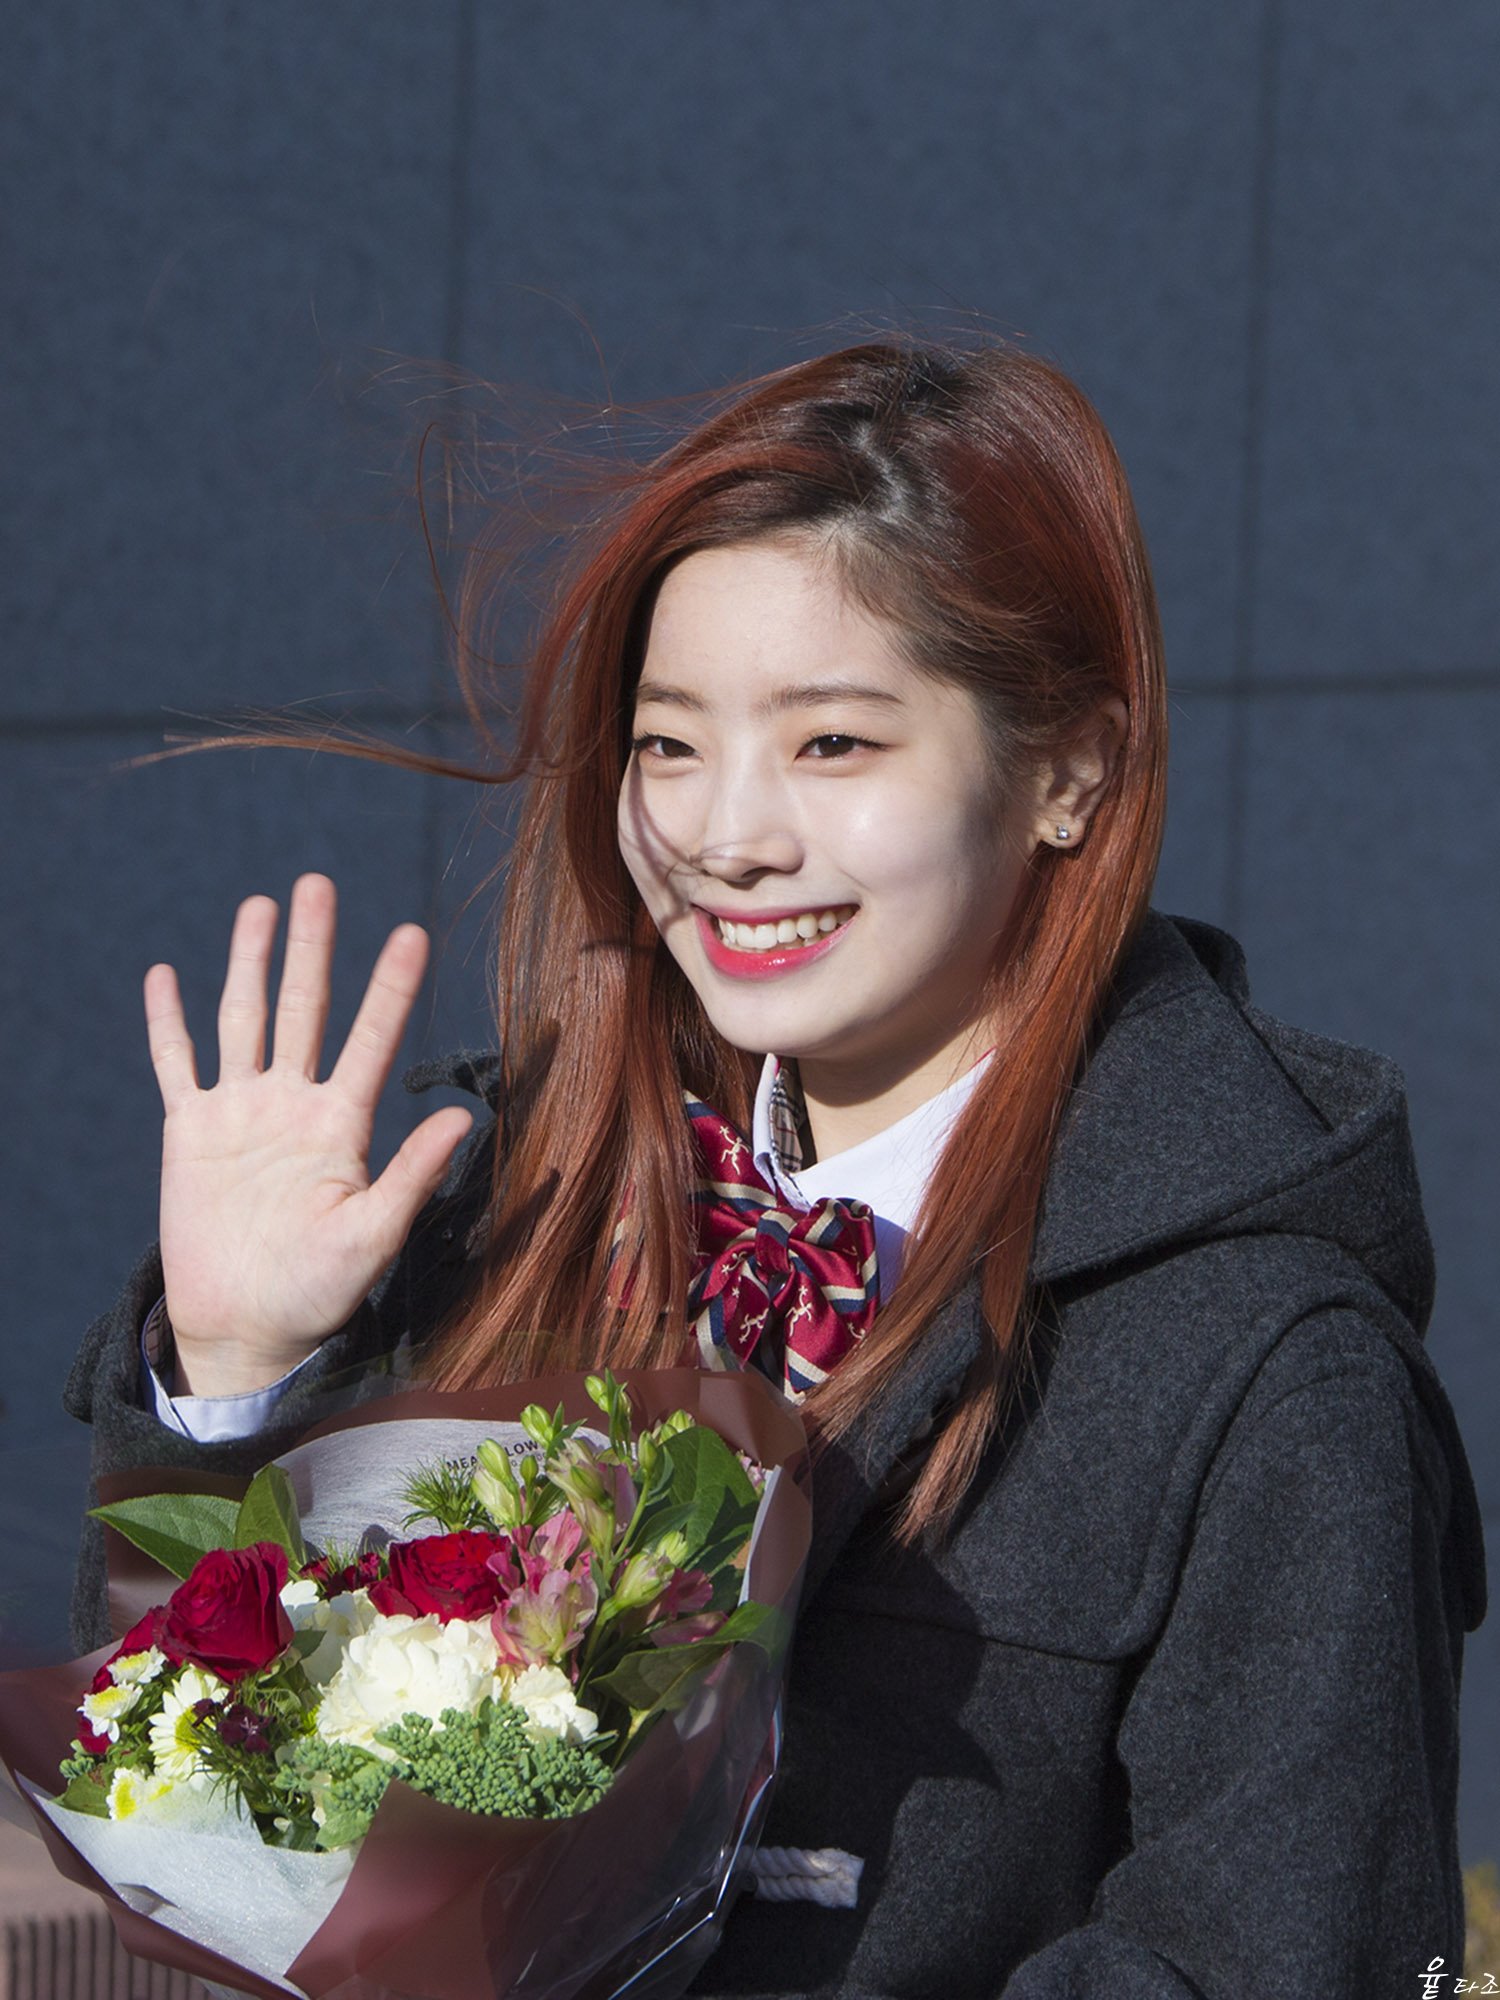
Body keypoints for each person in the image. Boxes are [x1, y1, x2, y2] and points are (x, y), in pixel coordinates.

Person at [65, 339, 1486, 1996]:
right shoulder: (509, 1210)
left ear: (1069, 771)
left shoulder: (1267, 1365)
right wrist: (236, 1379)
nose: (726, 837)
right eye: (669, 745)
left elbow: (1276, 1961)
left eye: (833, 746)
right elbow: (202, 1822)